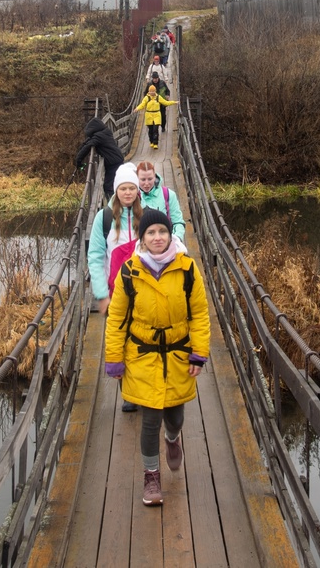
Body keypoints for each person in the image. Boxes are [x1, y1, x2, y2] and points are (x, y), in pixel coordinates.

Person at [104, 208, 210, 507]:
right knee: (150, 419)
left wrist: (199, 353)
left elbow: (200, 313)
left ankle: (173, 438)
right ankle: (152, 477)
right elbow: (116, 318)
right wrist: (114, 357)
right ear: (142, 237)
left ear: (170, 234)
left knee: (174, 415)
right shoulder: (129, 271)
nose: (158, 237)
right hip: (142, 355)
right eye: (151, 232)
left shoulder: (188, 268)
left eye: (162, 231)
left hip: (178, 354)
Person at [87, 162, 144, 413]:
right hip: (116, 292)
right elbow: (96, 256)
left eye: (132, 187)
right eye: (123, 188)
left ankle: (143, 388)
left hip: (145, 289)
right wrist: (101, 294)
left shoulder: (149, 214)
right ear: (116, 190)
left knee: (143, 338)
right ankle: (129, 392)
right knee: (122, 341)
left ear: (138, 190)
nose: (128, 192)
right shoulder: (104, 218)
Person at [75, 118, 125, 200]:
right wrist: (81, 148)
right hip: (117, 160)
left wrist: (78, 161)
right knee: (115, 184)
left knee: (108, 187)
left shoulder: (99, 137)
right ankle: (116, 203)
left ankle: (113, 206)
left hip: (113, 163)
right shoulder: (105, 132)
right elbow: (88, 142)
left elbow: (87, 146)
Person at [137, 160, 185, 240]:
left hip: (164, 242)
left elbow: (178, 221)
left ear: (155, 177)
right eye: (143, 179)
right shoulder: (131, 196)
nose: (146, 183)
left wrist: (177, 239)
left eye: (150, 179)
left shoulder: (168, 195)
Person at [133, 85, 176, 150]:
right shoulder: (146, 98)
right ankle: (151, 141)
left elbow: (165, 103)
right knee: (150, 130)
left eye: (153, 91)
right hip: (149, 115)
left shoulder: (158, 97)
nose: (152, 93)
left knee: (155, 129)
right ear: (149, 92)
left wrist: (174, 102)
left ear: (155, 91)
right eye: (150, 91)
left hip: (157, 114)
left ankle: (155, 143)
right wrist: (137, 108)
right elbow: (142, 105)